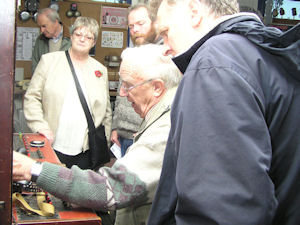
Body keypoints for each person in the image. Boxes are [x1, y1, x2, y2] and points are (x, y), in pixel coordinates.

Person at [147, 0, 300, 225]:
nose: (165, 46)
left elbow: (223, 208)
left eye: (166, 32)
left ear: (194, 11)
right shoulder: (261, 52)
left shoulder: (214, 63)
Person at [14, 44, 182, 225]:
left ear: (157, 87)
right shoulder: (165, 108)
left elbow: (110, 189)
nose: (122, 93)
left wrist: (31, 168)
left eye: (128, 85)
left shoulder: (166, 128)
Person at [24, 17, 112, 170]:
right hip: (52, 144)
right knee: (50, 190)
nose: (82, 39)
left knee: (79, 191)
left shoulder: (100, 71)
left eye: (88, 37)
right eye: (78, 34)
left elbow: (106, 113)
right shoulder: (49, 61)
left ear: (94, 42)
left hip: (86, 150)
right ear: (71, 36)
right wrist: (40, 126)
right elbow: (32, 97)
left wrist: (105, 141)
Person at [110, 3, 163, 156]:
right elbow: (121, 96)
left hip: (146, 136)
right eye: (131, 26)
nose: (135, 30)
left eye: (141, 24)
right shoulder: (130, 55)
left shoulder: (165, 54)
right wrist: (116, 127)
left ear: (155, 23)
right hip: (124, 135)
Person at [31, 8, 71, 73]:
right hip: (46, 82)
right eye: (40, 27)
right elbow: (35, 66)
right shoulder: (40, 40)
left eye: (44, 26)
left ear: (55, 22)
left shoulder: (74, 36)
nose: (41, 30)